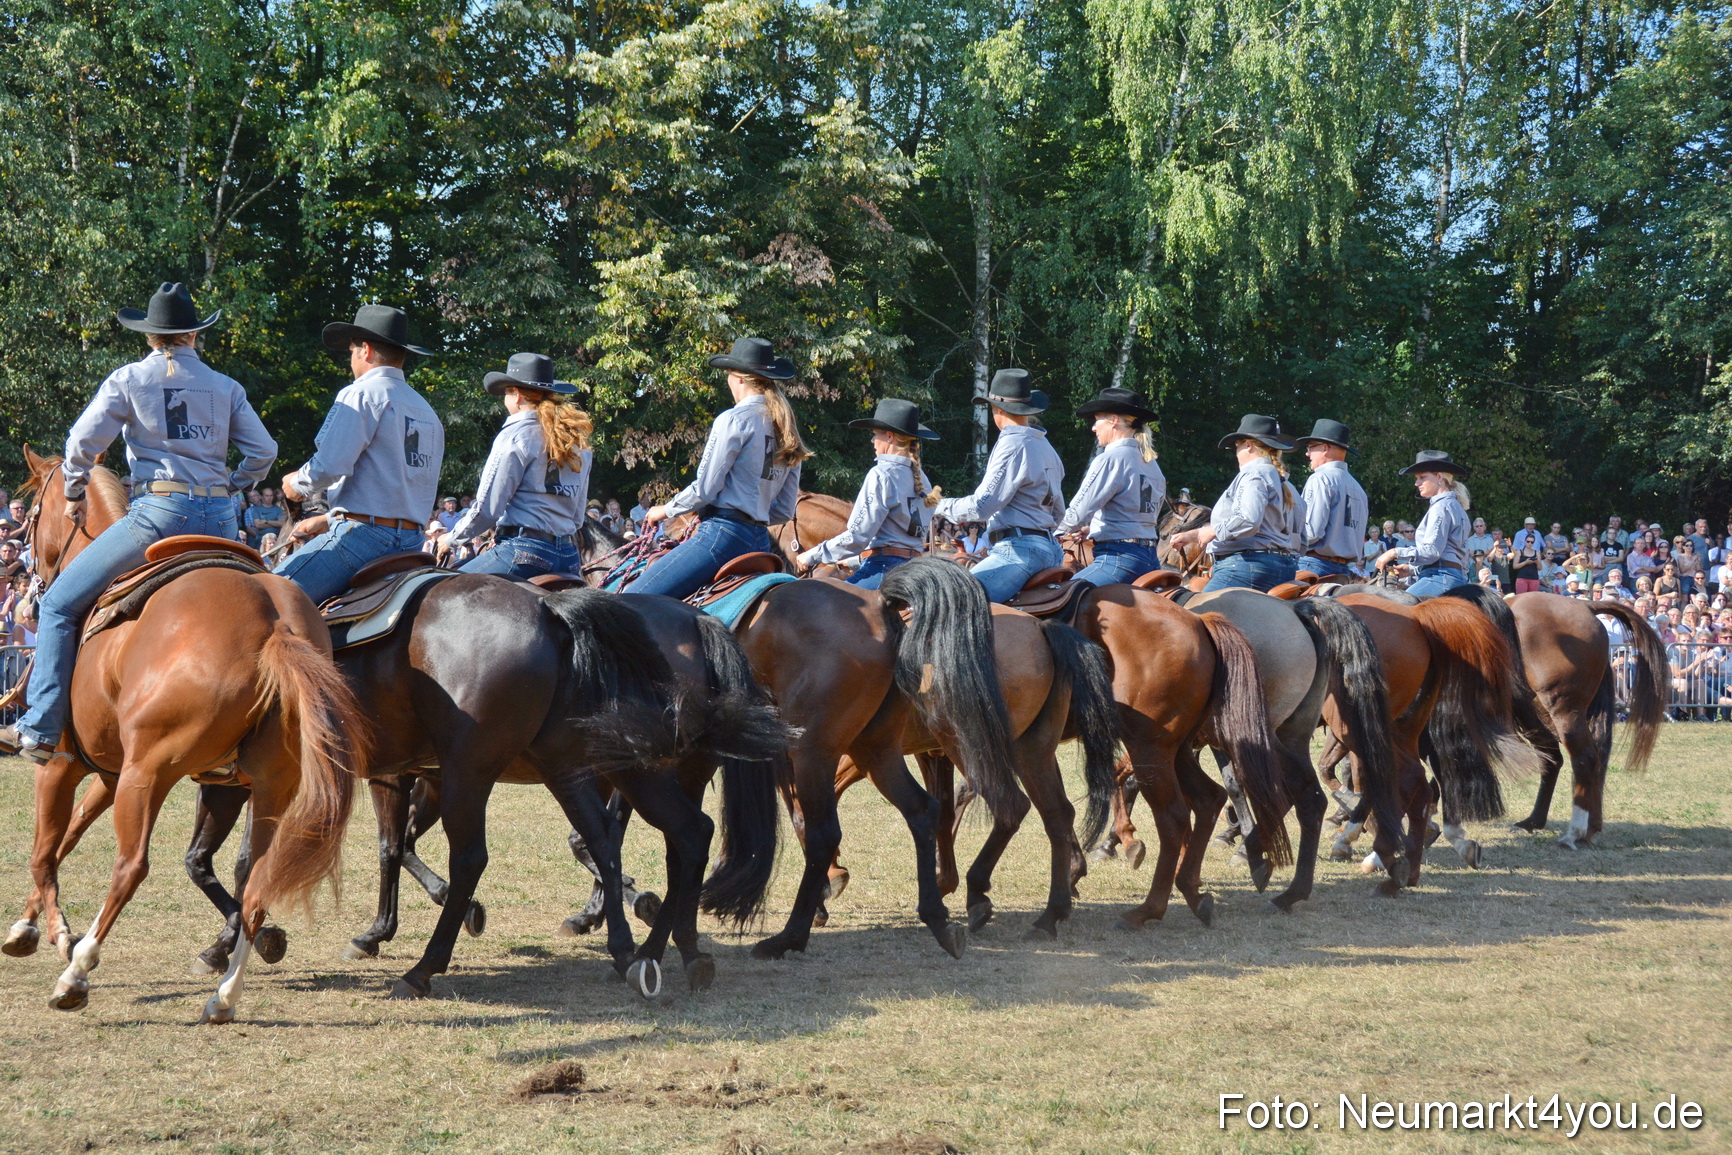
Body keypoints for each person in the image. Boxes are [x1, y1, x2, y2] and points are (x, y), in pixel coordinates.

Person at [0, 283, 276, 762]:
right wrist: (235, 482)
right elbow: (265, 451)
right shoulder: (227, 387)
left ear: (151, 337)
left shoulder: (129, 379)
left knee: (61, 604)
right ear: (193, 335)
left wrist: (72, 490)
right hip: (222, 523)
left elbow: (81, 443)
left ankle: (41, 726)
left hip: (160, 516)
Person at [275, 305, 445, 604]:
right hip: (412, 544)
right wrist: (328, 518)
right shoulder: (426, 411)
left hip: (362, 539)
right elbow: (397, 487)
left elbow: (330, 466)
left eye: (351, 350)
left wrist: (296, 485)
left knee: (263, 598)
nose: (351, 358)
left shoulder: (361, 393)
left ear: (364, 351)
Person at [634, 337, 806, 597]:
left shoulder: (734, 419)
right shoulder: (787, 429)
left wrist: (665, 510)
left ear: (738, 378)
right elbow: (783, 510)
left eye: (728, 374)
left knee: (629, 601)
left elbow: (705, 489)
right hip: (760, 541)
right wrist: (751, 513)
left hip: (722, 536)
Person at [438, 354, 592, 580]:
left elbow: (488, 508)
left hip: (524, 553)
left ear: (517, 395)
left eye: (505, 393)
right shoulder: (577, 442)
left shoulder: (515, 436)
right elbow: (577, 517)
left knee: (440, 587)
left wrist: (451, 539)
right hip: (568, 557)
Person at [932, 369, 1066, 602]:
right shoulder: (1046, 447)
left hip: (1019, 550)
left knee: (954, 604)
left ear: (998, 409)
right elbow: (1058, 512)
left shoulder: (1012, 442)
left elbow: (982, 506)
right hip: (1050, 549)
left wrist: (939, 506)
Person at [797, 398, 940, 589]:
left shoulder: (881, 474)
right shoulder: (923, 479)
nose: (872, 441)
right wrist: (855, 561)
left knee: (823, 606)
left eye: (875, 435)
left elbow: (857, 536)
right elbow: (901, 541)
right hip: (916, 570)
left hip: (884, 570)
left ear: (889, 437)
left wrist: (812, 555)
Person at [1170, 414, 1302, 592]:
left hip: (1246, 566)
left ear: (1248, 445)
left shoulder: (1254, 472)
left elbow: (1248, 520)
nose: (1235, 450)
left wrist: (1213, 530)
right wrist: (1194, 534)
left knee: (1195, 614)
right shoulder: (1280, 481)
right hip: (1280, 565)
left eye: (1236, 445)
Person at [1053, 388, 1166, 586]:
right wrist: (1093, 528)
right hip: (1150, 558)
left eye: (1097, 420)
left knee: (1061, 596)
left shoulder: (1111, 459)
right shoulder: (1151, 463)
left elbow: (1079, 511)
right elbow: (1138, 515)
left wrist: (1053, 534)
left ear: (1113, 420)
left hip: (1119, 558)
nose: (1093, 428)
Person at [1374, 450, 1472, 597]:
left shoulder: (1441, 507)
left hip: (1439, 578)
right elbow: (1452, 556)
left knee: (1394, 609)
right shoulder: (1457, 507)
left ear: (1439, 477)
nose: (1416, 483)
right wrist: (1412, 569)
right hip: (1455, 577)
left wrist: (1394, 552)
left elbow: (1431, 551)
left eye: (1422, 477)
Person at [1294, 418, 1368, 581]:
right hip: (1343, 572)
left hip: (1313, 565)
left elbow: (1311, 532)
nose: (1307, 454)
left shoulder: (1320, 479)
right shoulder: (1358, 488)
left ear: (1325, 448)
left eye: (1311, 447)